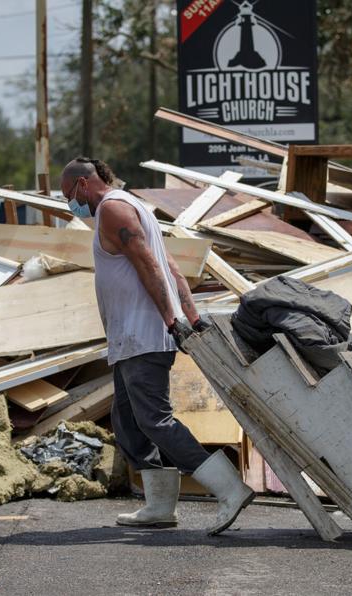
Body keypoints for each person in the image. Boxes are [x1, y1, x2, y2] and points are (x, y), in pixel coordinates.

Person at [60, 157, 254, 535]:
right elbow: (172, 268)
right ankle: (160, 506)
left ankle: (229, 488)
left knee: (154, 419)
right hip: (129, 337)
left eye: (70, 196)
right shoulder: (133, 207)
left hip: (143, 334)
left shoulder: (115, 209)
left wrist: (171, 319)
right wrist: (192, 316)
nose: (72, 205)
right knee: (128, 421)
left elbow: (150, 265)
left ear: (84, 185)